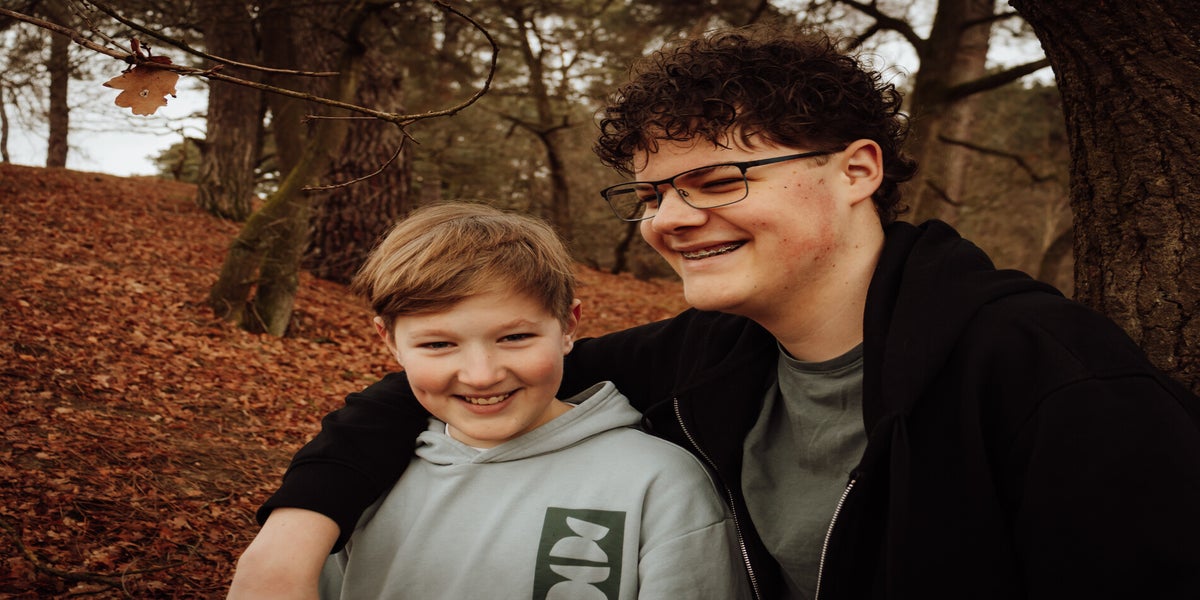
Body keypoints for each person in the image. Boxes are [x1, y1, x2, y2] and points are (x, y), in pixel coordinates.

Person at [240, 25, 1200, 600]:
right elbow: (459, 383)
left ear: (857, 170)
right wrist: (292, 536)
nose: (670, 219)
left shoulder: (1050, 378)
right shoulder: (708, 357)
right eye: (652, 193)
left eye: (717, 179)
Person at [228, 203, 749, 599]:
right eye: (438, 345)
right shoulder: (359, 481)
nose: (481, 375)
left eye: (515, 338)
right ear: (389, 342)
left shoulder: (660, 483)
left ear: (569, 326)